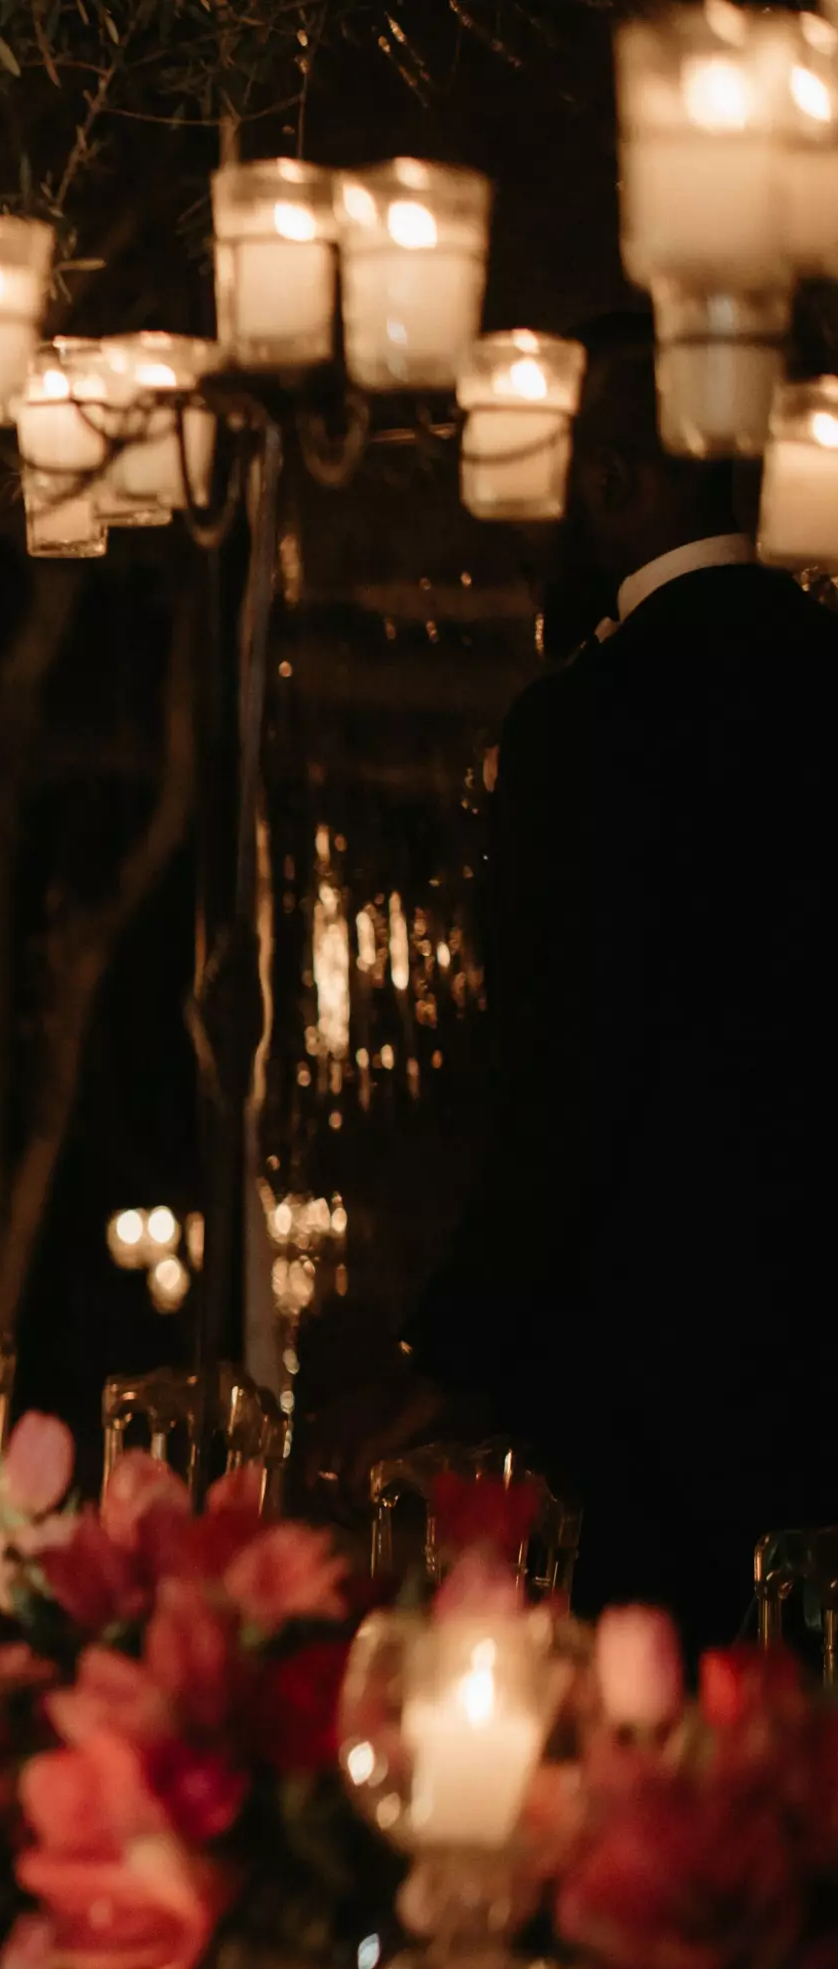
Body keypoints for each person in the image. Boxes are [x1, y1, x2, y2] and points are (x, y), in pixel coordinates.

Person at [412, 313, 838, 1641]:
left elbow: (568, 1067)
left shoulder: (587, 723)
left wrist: (462, 1342)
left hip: (658, 1367)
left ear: (615, 482)